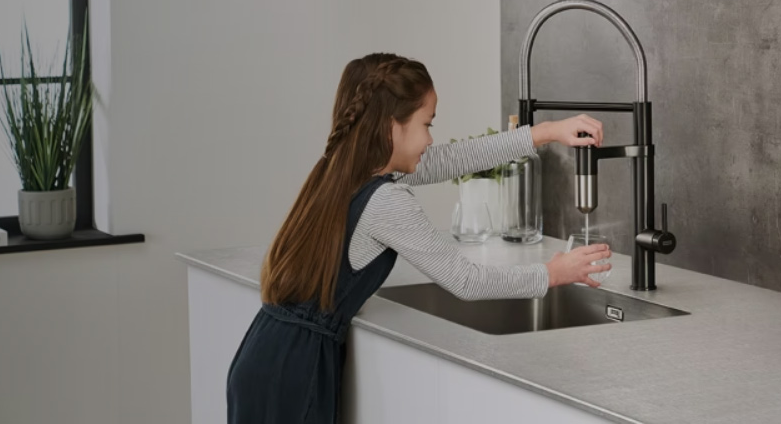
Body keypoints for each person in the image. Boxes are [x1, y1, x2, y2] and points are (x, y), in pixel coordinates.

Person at [227, 52, 611, 423]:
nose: (430, 140)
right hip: (297, 369)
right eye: (427, 124)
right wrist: (552, 273)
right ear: (392, 126)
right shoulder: (385, 201)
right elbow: (466, 280)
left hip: (264, 352)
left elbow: (453, 159)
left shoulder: (343, 167)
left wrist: (546, 133)